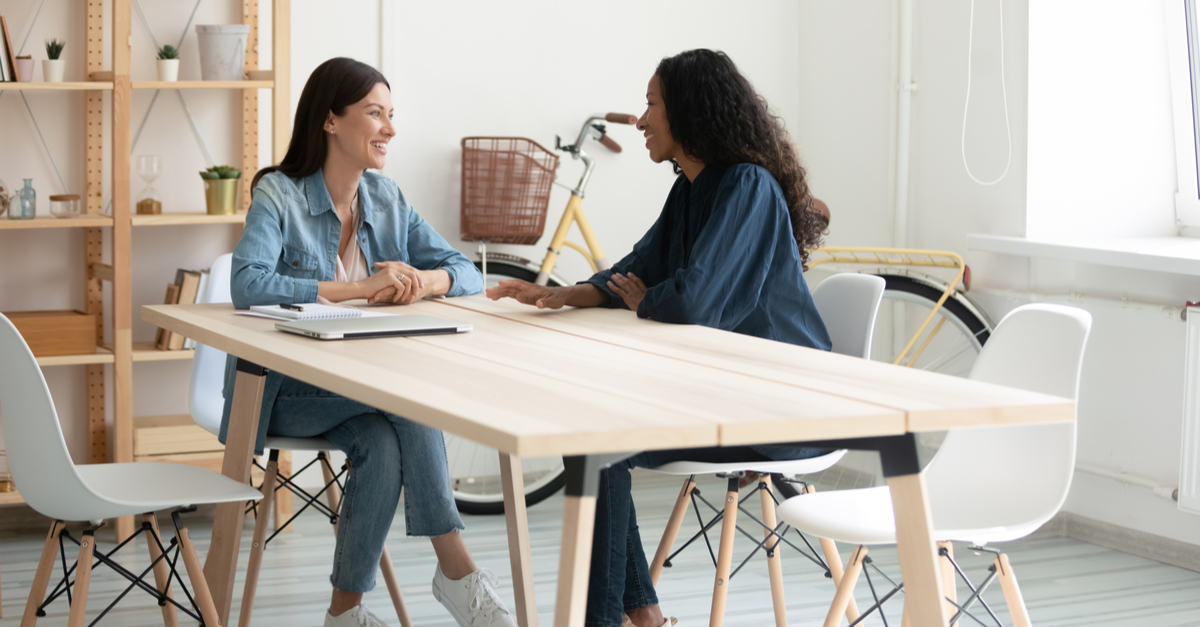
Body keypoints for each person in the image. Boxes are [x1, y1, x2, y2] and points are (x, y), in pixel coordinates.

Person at [486, 49, 832, 627]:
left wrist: (643, 297)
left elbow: (693, 300)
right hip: (724, 388)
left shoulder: (747, 185)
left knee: (598, 444)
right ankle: (641, 617)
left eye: (652, 104)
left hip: (781, 402)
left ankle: (619, 619)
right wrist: (571, 293)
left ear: (690, 112)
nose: (641, 119)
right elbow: (639, 264)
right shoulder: (691, 188)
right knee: (592, 436)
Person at [224, 57, 516, 627]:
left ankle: (344, 613)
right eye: (375, 113)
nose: (389, 128)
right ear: (331, 120)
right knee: (409, 396)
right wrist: (356, 288)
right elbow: (247, 284)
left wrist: (421, 281)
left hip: (361, 388)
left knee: (382, 447)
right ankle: (457, 571)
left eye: (391, 114)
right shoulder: (278, 194)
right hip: (283, 392)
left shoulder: (386, 198)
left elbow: (466, 270)